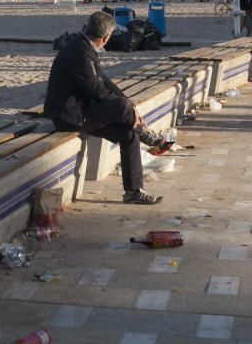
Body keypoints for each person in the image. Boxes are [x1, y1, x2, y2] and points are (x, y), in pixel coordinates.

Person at [43, 11, 163, 205]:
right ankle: (145, 133)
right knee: (122, 106)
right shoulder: (79, 53)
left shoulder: (84, 47)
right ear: (106, 38)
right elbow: (97, 91)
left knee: (129, 135)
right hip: (69, 116)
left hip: (82, 111)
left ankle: (133, 192)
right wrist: (126, 107)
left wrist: (131, 106)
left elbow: (105, 81)